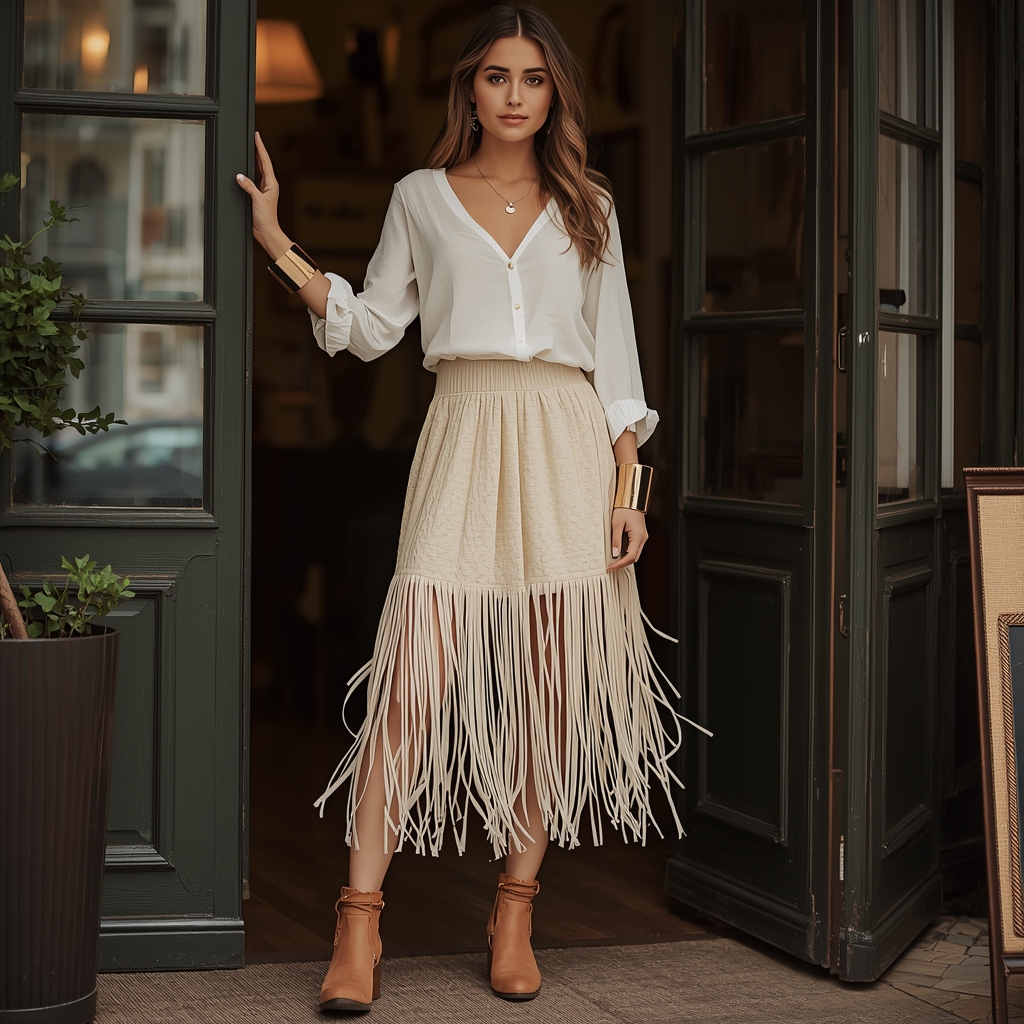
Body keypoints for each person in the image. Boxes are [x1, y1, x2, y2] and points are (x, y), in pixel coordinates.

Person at [236, 2, 708, 1013]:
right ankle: (358, 920)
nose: (515, 96)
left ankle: (515, 911)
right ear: (469, 88)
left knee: (548, 692)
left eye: (534, 79)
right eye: (498, 77)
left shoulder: (590, 203)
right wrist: (279, 245)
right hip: (462, 435)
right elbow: (370, 327)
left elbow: (616, 360)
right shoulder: (420, 196)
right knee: (410, 688)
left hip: (567, 443)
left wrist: (630, 491)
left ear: (555, 94)